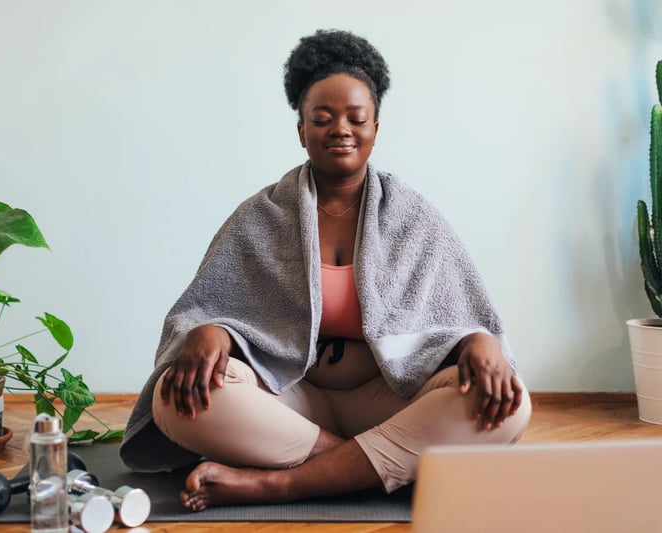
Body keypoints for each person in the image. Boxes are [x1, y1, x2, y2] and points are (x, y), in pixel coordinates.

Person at [120, 29, 532, 511]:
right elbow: (210, 305)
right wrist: (212, 331)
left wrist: (476, 340)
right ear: (301, 130)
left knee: (509, 404)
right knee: (176, 398)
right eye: (322, 118)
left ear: (376, 128)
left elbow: (458, 315)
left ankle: (277, 484)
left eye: (357, 118)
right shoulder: (261, 216)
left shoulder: (414, 218)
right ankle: (370, 467)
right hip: (291, 399)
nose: (341, 129)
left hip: (390, 398)